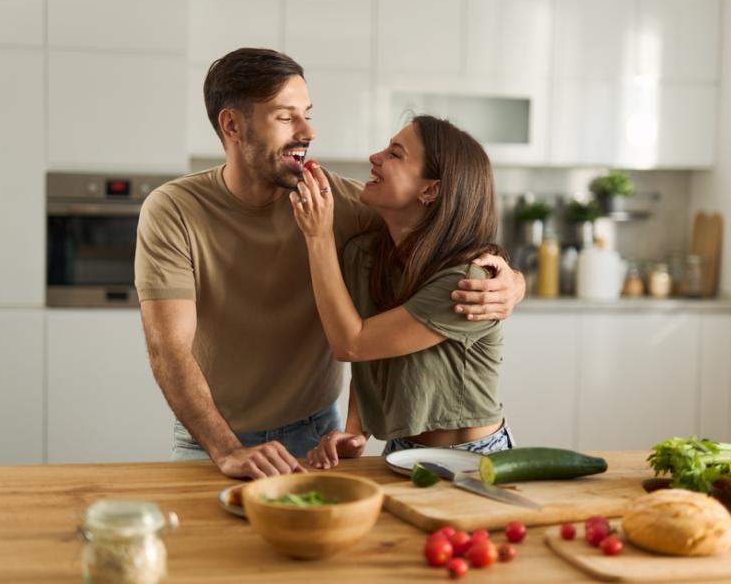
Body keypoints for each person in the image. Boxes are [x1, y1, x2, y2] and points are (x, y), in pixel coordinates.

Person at [134, 48, 525, 479]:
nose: (309, 131)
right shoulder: (174, 210)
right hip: (210, 439)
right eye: (286, 117)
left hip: (314, 435)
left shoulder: (339, 202)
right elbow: (167, 348)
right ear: (232, 125)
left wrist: (511, 279)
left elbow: (444, 229)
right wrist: (226, 450)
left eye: (308, 113)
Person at [292, 116, 513, 468]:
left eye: (395, 154)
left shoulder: (468, 281)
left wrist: (318, 237)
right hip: (399, 450)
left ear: (431, 190)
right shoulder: (364, 256)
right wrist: (356, 430)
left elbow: (353, 343)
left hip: (472, 459)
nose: (374, 157)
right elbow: (373, 353)